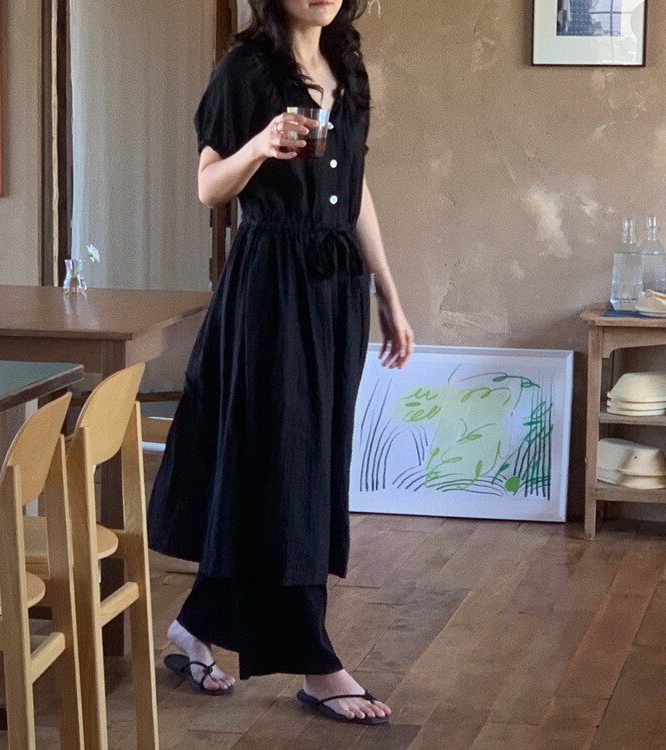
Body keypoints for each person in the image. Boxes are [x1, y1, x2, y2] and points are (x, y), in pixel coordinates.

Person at [147, 0, 413, 726]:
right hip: (270, 284)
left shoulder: (347, 66)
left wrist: (389, 295)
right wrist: (261, 145)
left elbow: (355, 189)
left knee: (310, 462)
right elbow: (209, 187)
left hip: (335, 288)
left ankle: (197, 624)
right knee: (282, 462)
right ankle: (317, 663)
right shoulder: (245, 71)